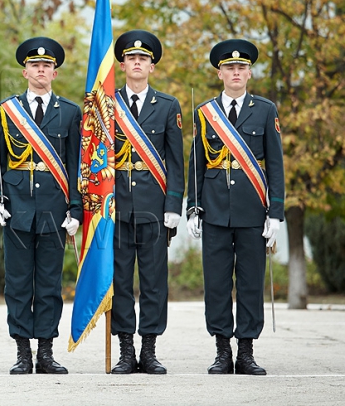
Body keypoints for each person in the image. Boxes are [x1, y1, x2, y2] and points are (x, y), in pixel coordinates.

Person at [187, 39, 285, 375]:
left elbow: (275, 165)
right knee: (216, 283)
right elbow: (196, 164)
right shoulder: (205, 113)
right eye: (230, 67)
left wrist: (276, 212)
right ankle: (221, 351)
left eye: (241, 67)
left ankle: (246, 351)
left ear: (249, 72)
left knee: (250, 282)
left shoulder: (265, 110)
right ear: (220, 73)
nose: (236, 72)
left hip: (252, 210)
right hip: (214, 210)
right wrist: (193, 207)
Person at [0, 37, 82, 375]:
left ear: (54, 73)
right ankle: (23, 353)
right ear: (25, 71)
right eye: (35, 65)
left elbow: (75, 164)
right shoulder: (8, 110)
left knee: (49, 284)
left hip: (55, 210)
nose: (41, 69)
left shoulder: (70, 112)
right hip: (17, 208)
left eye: (47, 66)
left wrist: (76, 208)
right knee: (18, 284)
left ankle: (45, 351)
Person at [109, 30, 184, 375]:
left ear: (152, 66)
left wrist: (173, 206)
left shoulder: (167, 106)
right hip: (117, 209)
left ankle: (150, 349)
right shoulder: (105, 105)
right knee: (121, 280)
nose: (137, 63)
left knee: (154, 282)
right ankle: (126, 350)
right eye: (131, 58)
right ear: (122, 64)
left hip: (155, 208)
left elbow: (175, 162)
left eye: (144, 59)